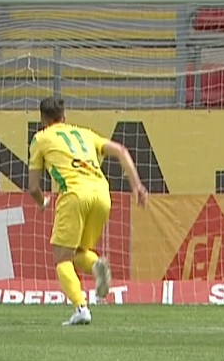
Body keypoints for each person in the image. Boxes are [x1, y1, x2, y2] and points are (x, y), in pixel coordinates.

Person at [27, 97, 148, 326]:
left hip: (73, 194)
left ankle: (80, 307)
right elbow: (121, 151)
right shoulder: (85, 133)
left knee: (61, 259)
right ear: (64, 117)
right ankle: (95, 266)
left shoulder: (41, 139)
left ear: (43, 119)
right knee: (79, 252)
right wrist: (137, 186)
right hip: (102, 194)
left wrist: (42, 202)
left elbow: (33, 186)